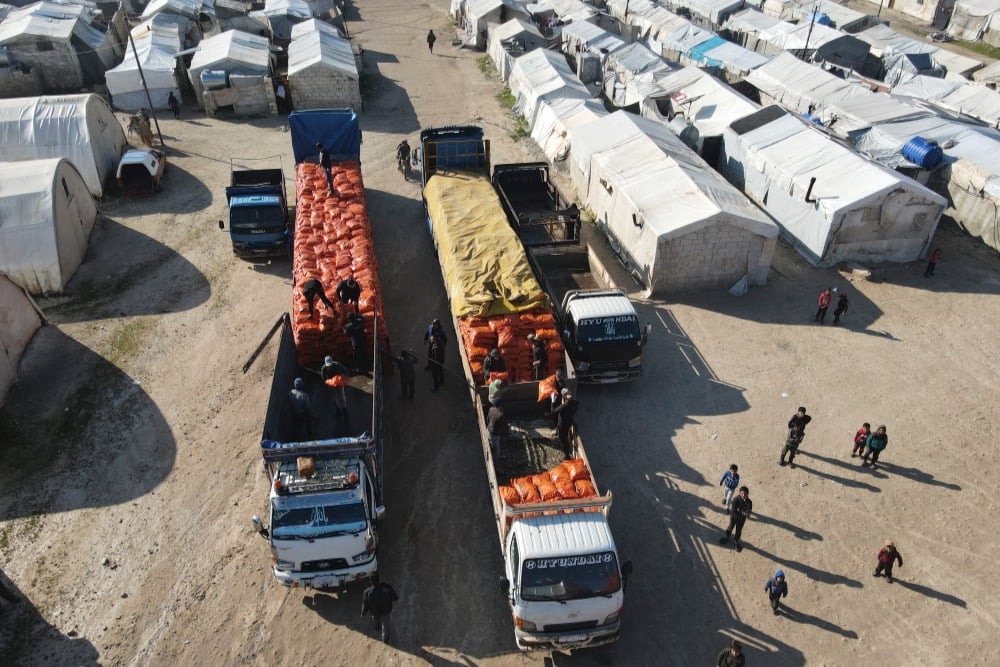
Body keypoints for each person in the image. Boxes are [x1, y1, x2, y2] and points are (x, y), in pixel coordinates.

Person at [361, 573, 399, 643]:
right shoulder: (387, 588)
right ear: (379, 579)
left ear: (370, 581)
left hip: (374, 612)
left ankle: (377, 627)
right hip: (386, 611)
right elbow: (395, 598)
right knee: (385, 625)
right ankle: (385, 639)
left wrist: (363, 613)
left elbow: (365, 604)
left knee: (376, 619)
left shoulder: (366, 592)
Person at [719, 486, 751, 552]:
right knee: (729, 528)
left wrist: (739, 511)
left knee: (738, 531)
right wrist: (743, 512)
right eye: (742, 493)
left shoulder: (749, 502)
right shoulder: (735, 499)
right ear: (739, 493)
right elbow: (733, 511)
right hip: (733, 518)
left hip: (741, 520)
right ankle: (727, 537)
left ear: (748, 494)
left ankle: (736, 542)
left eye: (745, 493)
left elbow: (748, 514)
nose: (743, 495)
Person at [551, 388, 578, 457]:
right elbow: (569, 406)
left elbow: (553, 411)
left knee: (563, 440)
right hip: (569, 422)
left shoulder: (563, 407)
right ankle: (557, 431)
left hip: (562, 425)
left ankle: (567, 456)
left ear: (564, 398)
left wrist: (552, 401)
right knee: (564, 434)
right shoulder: (576, 403)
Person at [428, 328, 446, 392]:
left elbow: (435, 357)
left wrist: (433, 361)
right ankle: (442, 381)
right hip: (441, 360)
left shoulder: (435, 347)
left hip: (436, 363)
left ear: (434, 339)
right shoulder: (440, 342)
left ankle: (436, 388)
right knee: (441, 371)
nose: (430, 340)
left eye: (431, 339)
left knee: (435, 375)